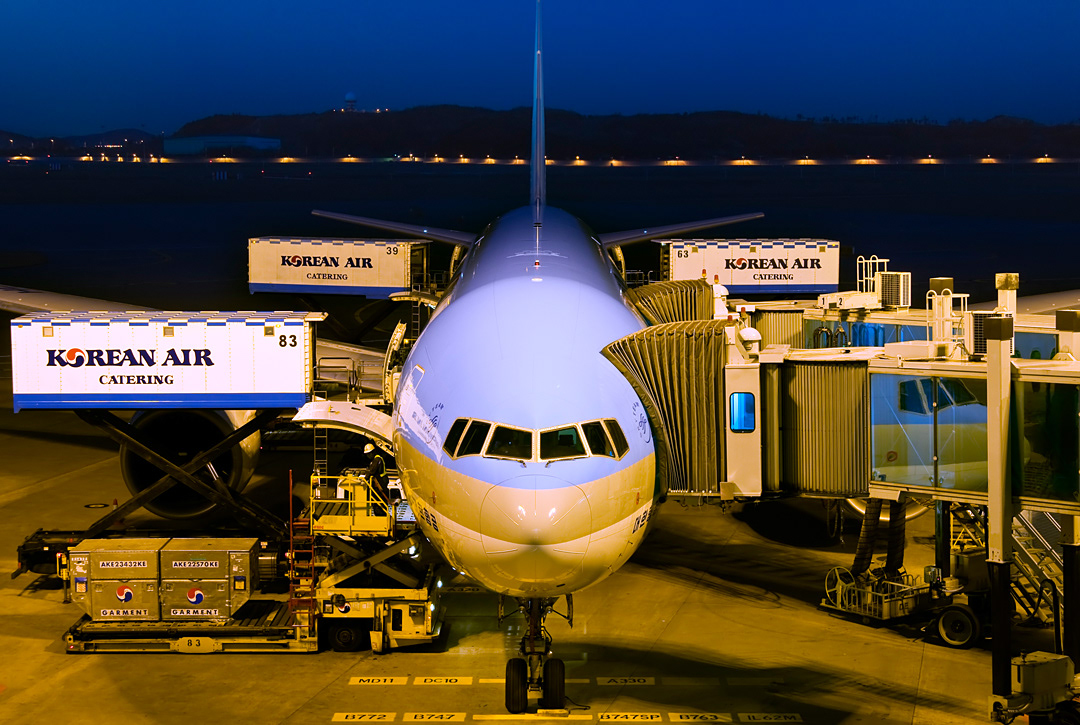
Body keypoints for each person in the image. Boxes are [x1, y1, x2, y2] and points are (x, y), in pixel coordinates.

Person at [364, 443, 389, 514]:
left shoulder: (377, 460)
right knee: (377, 504)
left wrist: (365, 478)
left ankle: (381, 517)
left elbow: (371, 471)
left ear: (373, 452)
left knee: (379, 504)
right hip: (380, 485)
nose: (368, 456)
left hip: (381, 485)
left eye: (369, 454)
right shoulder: (375, 460)